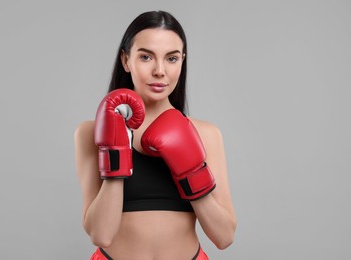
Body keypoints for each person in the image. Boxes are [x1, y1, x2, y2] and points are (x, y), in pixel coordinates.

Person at [74, 10, 236, 260]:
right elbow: (101, 234)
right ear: (126, 60)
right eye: (146, 57)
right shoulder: (90, 133)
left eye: (171, 59)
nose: (160, 70)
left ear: (182, 61)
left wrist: (191, 172)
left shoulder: (206, 134)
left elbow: (224, 237)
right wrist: (117, 151)